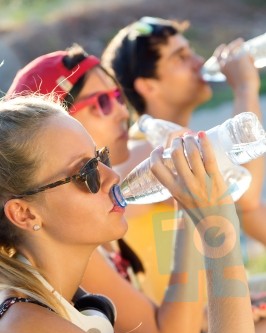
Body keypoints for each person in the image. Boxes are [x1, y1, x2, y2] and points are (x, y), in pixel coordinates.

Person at [0, 94, 259, 333]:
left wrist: (192, 208)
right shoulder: (28, 331)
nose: (113, 176)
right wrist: (217, 226)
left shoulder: (60, 302)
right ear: (25, 213)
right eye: (87, 174)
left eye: (101, 158)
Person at [6, 46, 205, 333]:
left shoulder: (99, 204)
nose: (123, 111)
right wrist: (198, 217)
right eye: (101, 102)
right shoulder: (62, 240)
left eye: (116, 95)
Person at [101, 15, 266, 301]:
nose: (199, 62)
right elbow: (246, 193)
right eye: (180, 56)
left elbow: (249, 211)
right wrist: (244, 88)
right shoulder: (146, 153)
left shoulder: (189, 143)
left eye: (191, 51)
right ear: (148, 86)